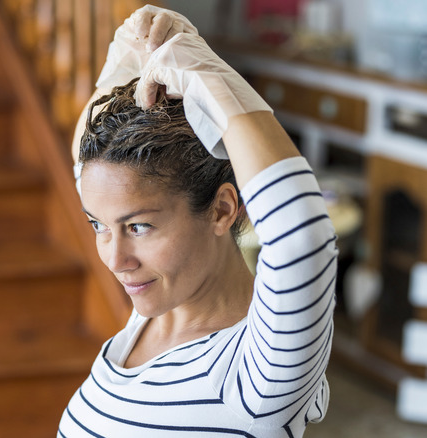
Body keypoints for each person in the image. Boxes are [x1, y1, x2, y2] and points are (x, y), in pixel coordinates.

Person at [59, 5, 336, 437]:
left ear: (223, 210)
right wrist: (125, 64)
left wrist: (211, 75)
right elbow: (94, 175)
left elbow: (302, 236)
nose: (116, 260)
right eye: (99, 226)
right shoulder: (155, 316)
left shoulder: (257, 375)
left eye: (139, 227)